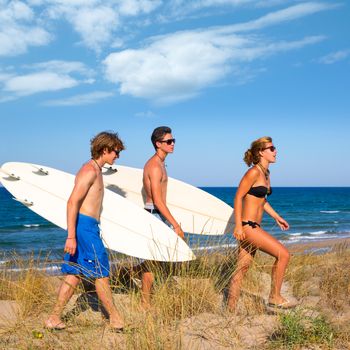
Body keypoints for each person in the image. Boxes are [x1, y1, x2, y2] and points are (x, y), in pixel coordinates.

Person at [45, 131, 125, 330]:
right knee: (101, 271)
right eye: (116, 152)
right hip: (84, 228)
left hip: (88, 227)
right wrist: (71, 236)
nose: (117, 156)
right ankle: (115, 319)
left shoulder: (97, 170)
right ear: (105, 149)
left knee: (75, 272)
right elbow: (73, 202)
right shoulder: (89, 171)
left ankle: (53, 318)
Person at [228, 136, 293, 311]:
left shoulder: (266, 174)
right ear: (260, 152)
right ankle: (275, 296)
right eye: (271, 148)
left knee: (241, 270)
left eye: (274, 147)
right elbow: (238, 197)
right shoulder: (253, 172)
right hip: (248, 227)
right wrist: (238, 226)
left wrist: (277, 217)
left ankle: (229, 311)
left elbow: (261, 201)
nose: (275, 151)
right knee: (283, 255)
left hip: (254, 227)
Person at [141, 126, 185, 308]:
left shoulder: (160, 163)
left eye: (173, 140)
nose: (173, 144)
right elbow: (158, 201)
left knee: (157, 260)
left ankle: (127, 274)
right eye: (169, 141)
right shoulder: (154, 166)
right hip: (154, 215)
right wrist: (175, 225)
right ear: (158, 144)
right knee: (151, 261)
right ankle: (145, 303)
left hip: (157, 215)